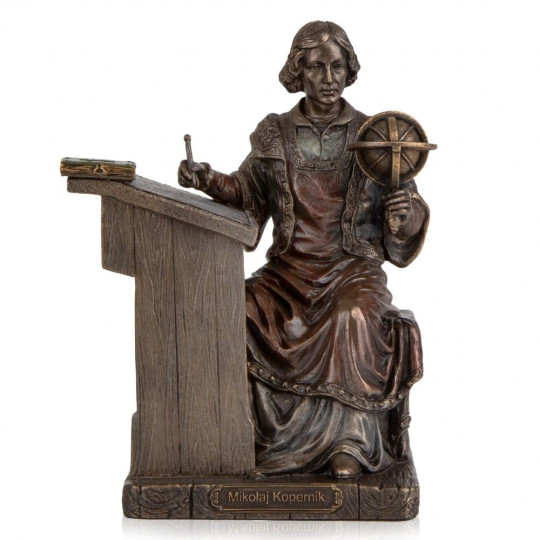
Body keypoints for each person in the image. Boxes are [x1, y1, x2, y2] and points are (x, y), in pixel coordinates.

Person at [178, 21, 429, 479]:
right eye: (315, 67)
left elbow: (407, 206)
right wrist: (208, 179)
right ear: (298, 71)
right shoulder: (274, 134)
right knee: (236, 308)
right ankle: (253, 437)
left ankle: (349, 443)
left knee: (351, 317)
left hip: (351, 270)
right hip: (288, 273)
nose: (328, 78)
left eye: (337, 67)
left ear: (349, 70)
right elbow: (248, 191)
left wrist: (404, 215)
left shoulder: (375, 135)